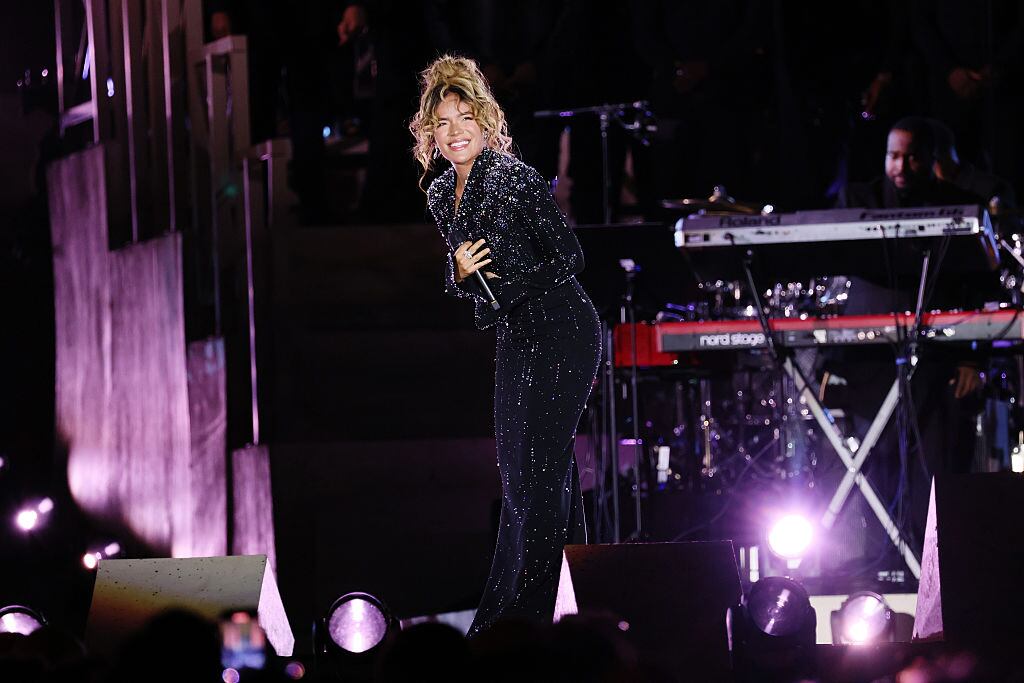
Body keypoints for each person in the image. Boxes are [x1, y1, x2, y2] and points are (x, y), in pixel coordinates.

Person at [409, 55, 602, 636]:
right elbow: (471, 284)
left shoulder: (513, 177)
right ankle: (549, 608)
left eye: (465, 116)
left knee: (540, 477)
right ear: (431, 132)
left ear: (485, 120)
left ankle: (525, 621)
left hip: (562, 330)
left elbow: (570, 257)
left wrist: (504, 279)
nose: (456, 130)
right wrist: (458, 274)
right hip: (516, 335)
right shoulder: (442, 193)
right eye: (443, 122)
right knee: (524, 477)